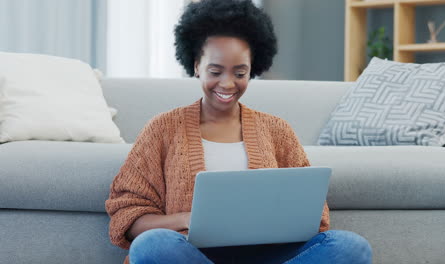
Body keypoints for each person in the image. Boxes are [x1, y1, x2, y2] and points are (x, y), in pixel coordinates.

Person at [105, 0, 372, 263]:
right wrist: (188, 219)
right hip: (191, 253)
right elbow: (128, 217)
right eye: (215, 71)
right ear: (197, 65)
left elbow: (313, 215)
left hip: (270, 255)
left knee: (351, 247)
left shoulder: (277, 130)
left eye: (240, 72)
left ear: (252, 69)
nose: (227, 83)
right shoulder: (162, 129)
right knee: (151, 246)